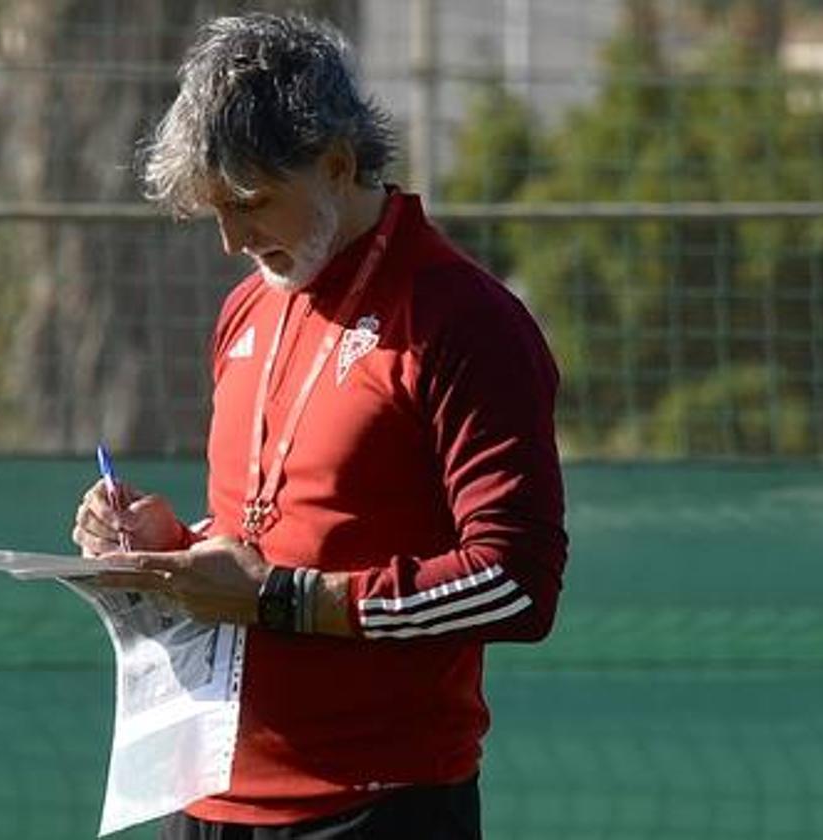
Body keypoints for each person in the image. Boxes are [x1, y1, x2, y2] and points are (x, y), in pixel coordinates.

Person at [71, 12, 567, 840]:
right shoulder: (244, 313)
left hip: (375, 805)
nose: (232, 240)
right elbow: (272, 533)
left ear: (339, 165)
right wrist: (171, 545)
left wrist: (286, 601)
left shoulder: (462, 319)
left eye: (252, 203)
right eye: (214, 211)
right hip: (205, 798)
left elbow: (515, 582)